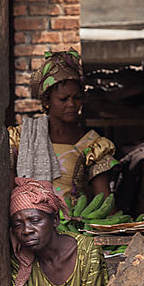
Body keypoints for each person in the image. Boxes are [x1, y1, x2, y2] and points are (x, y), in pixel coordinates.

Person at [10, 49, 118, 202]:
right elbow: (6, 191)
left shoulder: (93, 145)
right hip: (30, 221)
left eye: (77, 98)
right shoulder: (22, 137)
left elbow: (104, 201)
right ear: (47, 101)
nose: (72, 104)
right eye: (63, 99)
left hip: (71, 222)